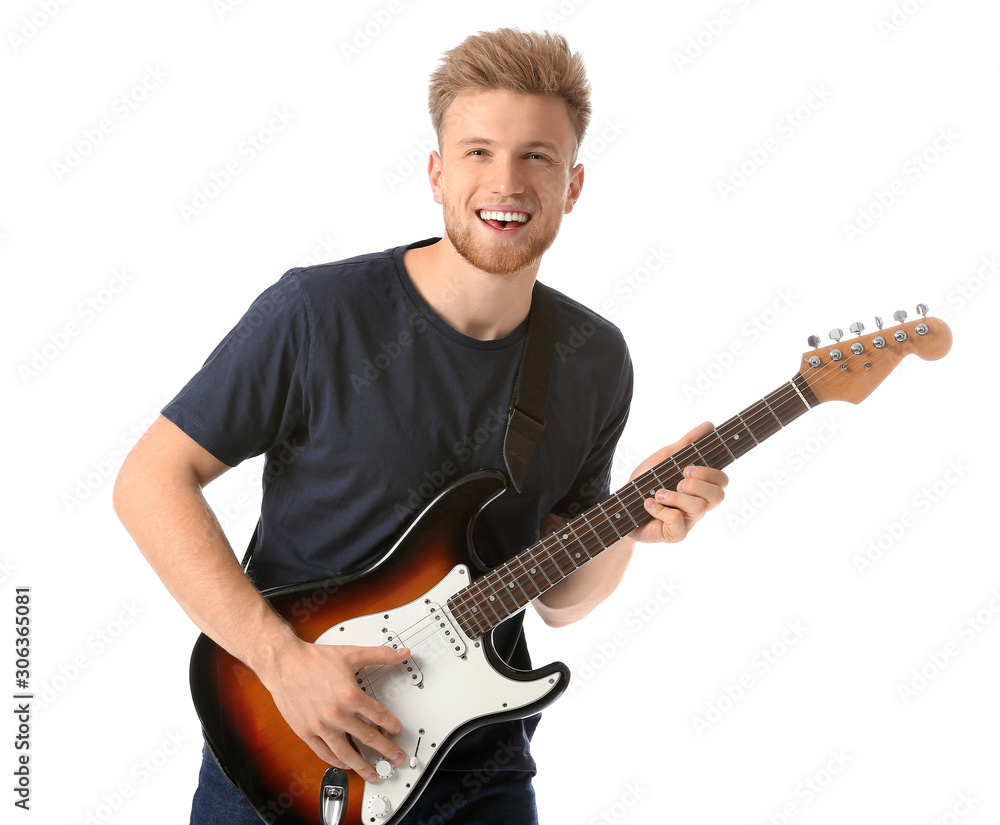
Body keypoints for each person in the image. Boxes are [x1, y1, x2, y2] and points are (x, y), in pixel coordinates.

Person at [113, 28, 728, 825]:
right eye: (478, 151)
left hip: (479, 773)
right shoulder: (318, 313)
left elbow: (563, 600)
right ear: (437, 173)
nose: (506, 181)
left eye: (537, 156)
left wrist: (635, 524)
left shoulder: (593, 356)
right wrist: (282, 663)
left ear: (573, 185)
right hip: (284, 748)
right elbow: (148, 480)